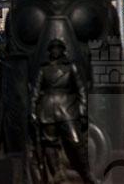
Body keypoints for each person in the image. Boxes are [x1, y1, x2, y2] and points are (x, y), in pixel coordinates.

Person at [30, 39, 94, 183]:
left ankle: (87, 174)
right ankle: (56, 176)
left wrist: (82, 111)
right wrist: (33, 111)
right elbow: (35, 91)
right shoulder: (43, 69)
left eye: (58, 48)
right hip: (48, 109)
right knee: (49, 143)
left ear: (62, 50)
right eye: (53, 48)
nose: (55, 51)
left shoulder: (71, 68)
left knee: (76, 141)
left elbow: (81, 90)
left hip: (67, 108)